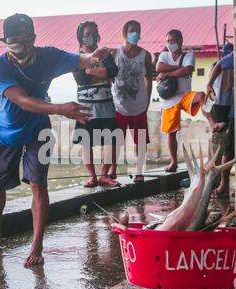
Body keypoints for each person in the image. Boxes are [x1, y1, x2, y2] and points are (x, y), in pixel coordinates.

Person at [0, 14, 111, 268]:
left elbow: (81, 60)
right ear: (5, 42)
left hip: (39, 129)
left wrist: (93, 58)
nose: (22, 47)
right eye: (15, 42)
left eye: (26, 40)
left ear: (34, 39)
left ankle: (37, 244)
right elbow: (23, 101)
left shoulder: (49, 56)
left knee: (38, 184)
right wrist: (61, 108)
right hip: (7, 130)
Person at [157, 29, 224, 173]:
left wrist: (167, 73)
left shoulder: (189, 55)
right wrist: (177, 68)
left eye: (173, 41)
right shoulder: (164, 54)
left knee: (200, 96)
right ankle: (173, 162)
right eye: (168, 41)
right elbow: (158, 67)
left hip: (185, 95)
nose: (170, 44)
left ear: (180, 41)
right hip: (169, 100)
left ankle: (212, 124)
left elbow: (187, 71)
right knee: (171, 133)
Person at [72, 21, 121, 188]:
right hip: (86, 107)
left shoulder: (105, 54)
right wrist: (103, 74)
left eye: (93, 33)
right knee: (87, 143)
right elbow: (81, 79)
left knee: (110, 141)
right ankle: (92, 177)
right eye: (86, 34)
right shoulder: (76, 57)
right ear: (80, 36)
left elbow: (114, 72)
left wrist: (90, 70)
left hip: (107, 105)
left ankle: (103, 176)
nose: (90, 37)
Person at [109, 20, 153, 183]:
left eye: (137, 31)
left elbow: (149, 77)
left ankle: (139, 171)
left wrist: (147, 99)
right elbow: (109, 75)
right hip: (118, 106)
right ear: (125, 33)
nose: (134, 33)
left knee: (140, 141)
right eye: (131, 30)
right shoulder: (115, 53)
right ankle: (112, 170)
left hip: (139, 106)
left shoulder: (145, 55)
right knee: (115, 140)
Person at [206, 44, 235, 198]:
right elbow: (205, 106)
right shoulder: (216, 67)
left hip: (230, 108)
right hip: (218, 107)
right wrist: (212, 123)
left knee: (228, 149)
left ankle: (222, 185)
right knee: (218, 149)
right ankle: (216, 184)